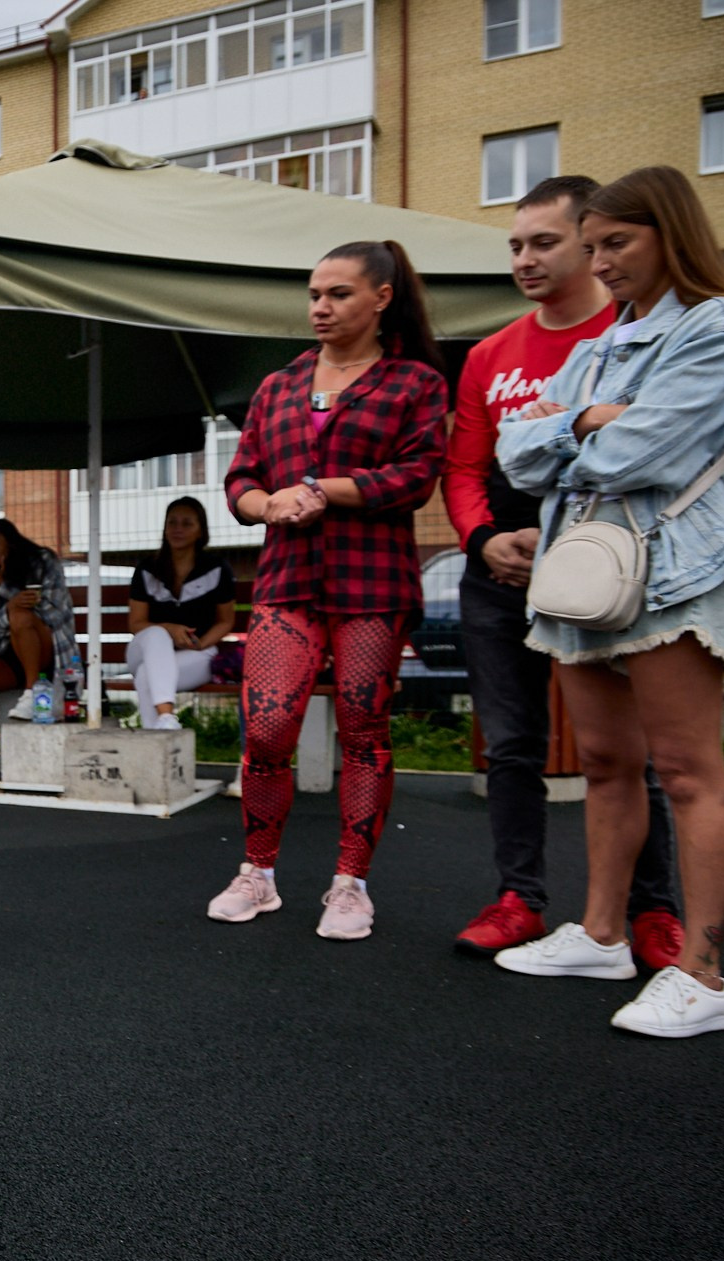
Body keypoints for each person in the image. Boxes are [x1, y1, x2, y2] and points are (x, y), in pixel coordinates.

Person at [495, 166, 724, 1038]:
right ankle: (601, 934)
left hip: (671, 570)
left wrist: (573, 426)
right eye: (590, 246)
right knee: (602, 761)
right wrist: (589, 419)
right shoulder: (599, 345)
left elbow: (641, 455)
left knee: (688, 771)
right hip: (585, 567)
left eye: (616, 243)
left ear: (671, 231)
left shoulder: (713, 328)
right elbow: (516, 456)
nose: (599, 263)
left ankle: (704, 972)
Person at [445, 176, 682, 964]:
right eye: (515, 245)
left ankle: (653, 911)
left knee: (631, 752)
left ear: (588, 243)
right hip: (499, 572)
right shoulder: (489, 353)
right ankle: (518, 898)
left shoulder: (635, 335)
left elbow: (654, 445)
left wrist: (557, 442)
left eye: (543, 242)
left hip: (609, 565)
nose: (525, 258)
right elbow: (467, 466)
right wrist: (483, 539)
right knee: (512, 744)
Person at [212, 240, 447, 941]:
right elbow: (241, 477)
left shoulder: (414, 382)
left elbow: (417, 475)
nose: (321, 306)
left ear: (381, 298)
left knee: (363, 729)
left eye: (339, 293)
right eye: (315, 294)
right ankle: (258, 873)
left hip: (372, 583)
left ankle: (351, 885)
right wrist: (267, 503)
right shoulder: (278, 385)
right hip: (287, 580)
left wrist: (322, 490)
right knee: (266, 729)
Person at [0, 518, 74, 782]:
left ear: (10, 542)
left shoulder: (43, 560)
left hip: (51, 650)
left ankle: (32, 692)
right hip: (11, 652)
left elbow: (56, 613)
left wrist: (5, 587)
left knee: (21, 615)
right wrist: (10, 603)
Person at [126, 496, 237, 731]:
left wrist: (201, 643)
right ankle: (167, 717)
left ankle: (159, 734)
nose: (178, 529)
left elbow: (226, 621)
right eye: (172, 523)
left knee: (146, 676)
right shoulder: (147, 568)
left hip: (197, 653)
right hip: (144, 651)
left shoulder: (216, 569)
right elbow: (136, 623)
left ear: (200, 531)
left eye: (187, 524)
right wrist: (169, 629)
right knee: (156, 634)